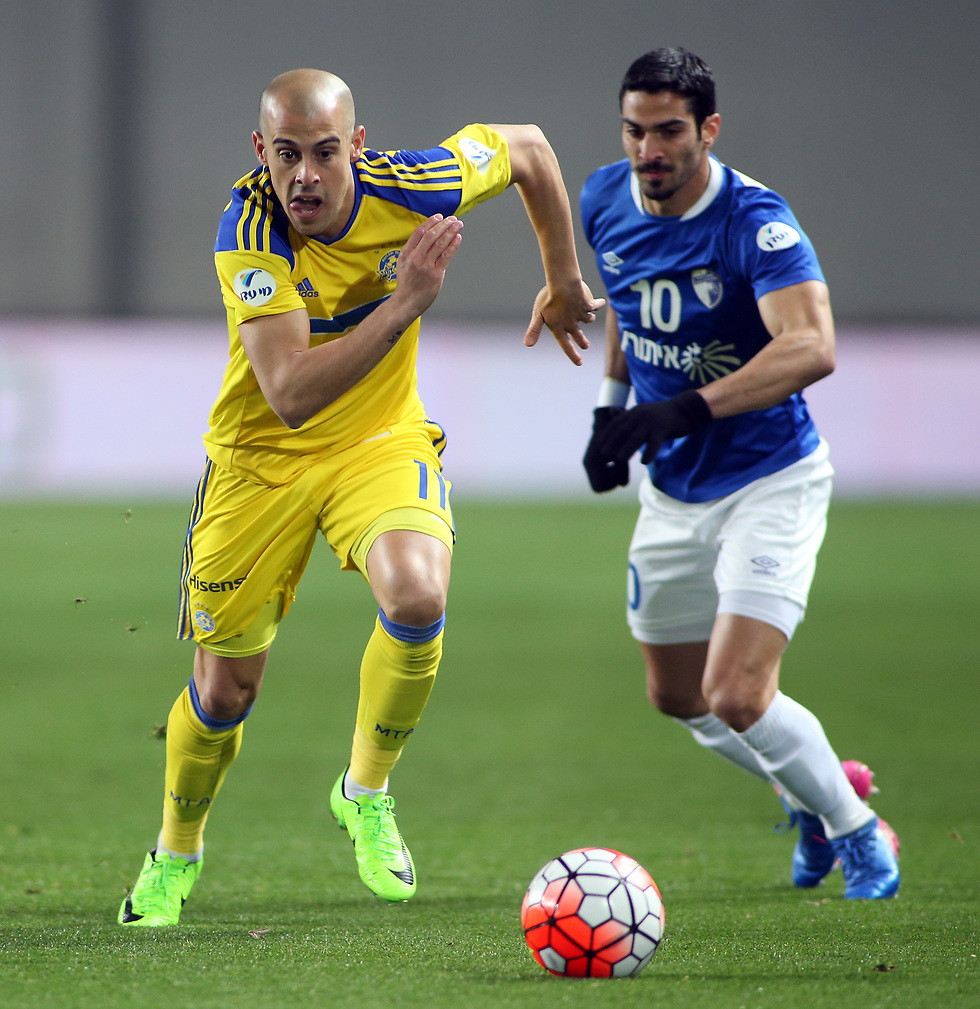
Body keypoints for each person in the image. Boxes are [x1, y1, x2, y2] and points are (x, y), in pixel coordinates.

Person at [118, 68, 603, 926]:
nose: (304, 175)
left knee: (418, 594)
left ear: (358, 146)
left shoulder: (416, 185)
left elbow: (528, 148)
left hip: (377, 442)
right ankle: (175, 853)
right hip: (258, 462)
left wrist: (563, 278)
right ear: (260, 150)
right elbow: (290, 394)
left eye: (325, 152)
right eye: (286, 154)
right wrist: (405, 302)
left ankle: (365, 791)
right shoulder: (249, 228)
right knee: (225, 692)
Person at [580, 48, 899, 899]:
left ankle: (859, 831)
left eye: (668, 132)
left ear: (709, 129)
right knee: (678, 696)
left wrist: (683, 409)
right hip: (673, 490)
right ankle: (813, 790)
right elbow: (626, 301)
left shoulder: (755, 222)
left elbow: (812, 346)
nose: (648, 151)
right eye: (634, 131)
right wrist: (611, 408)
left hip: (769, 480)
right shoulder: (604, 197)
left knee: (736, 691)